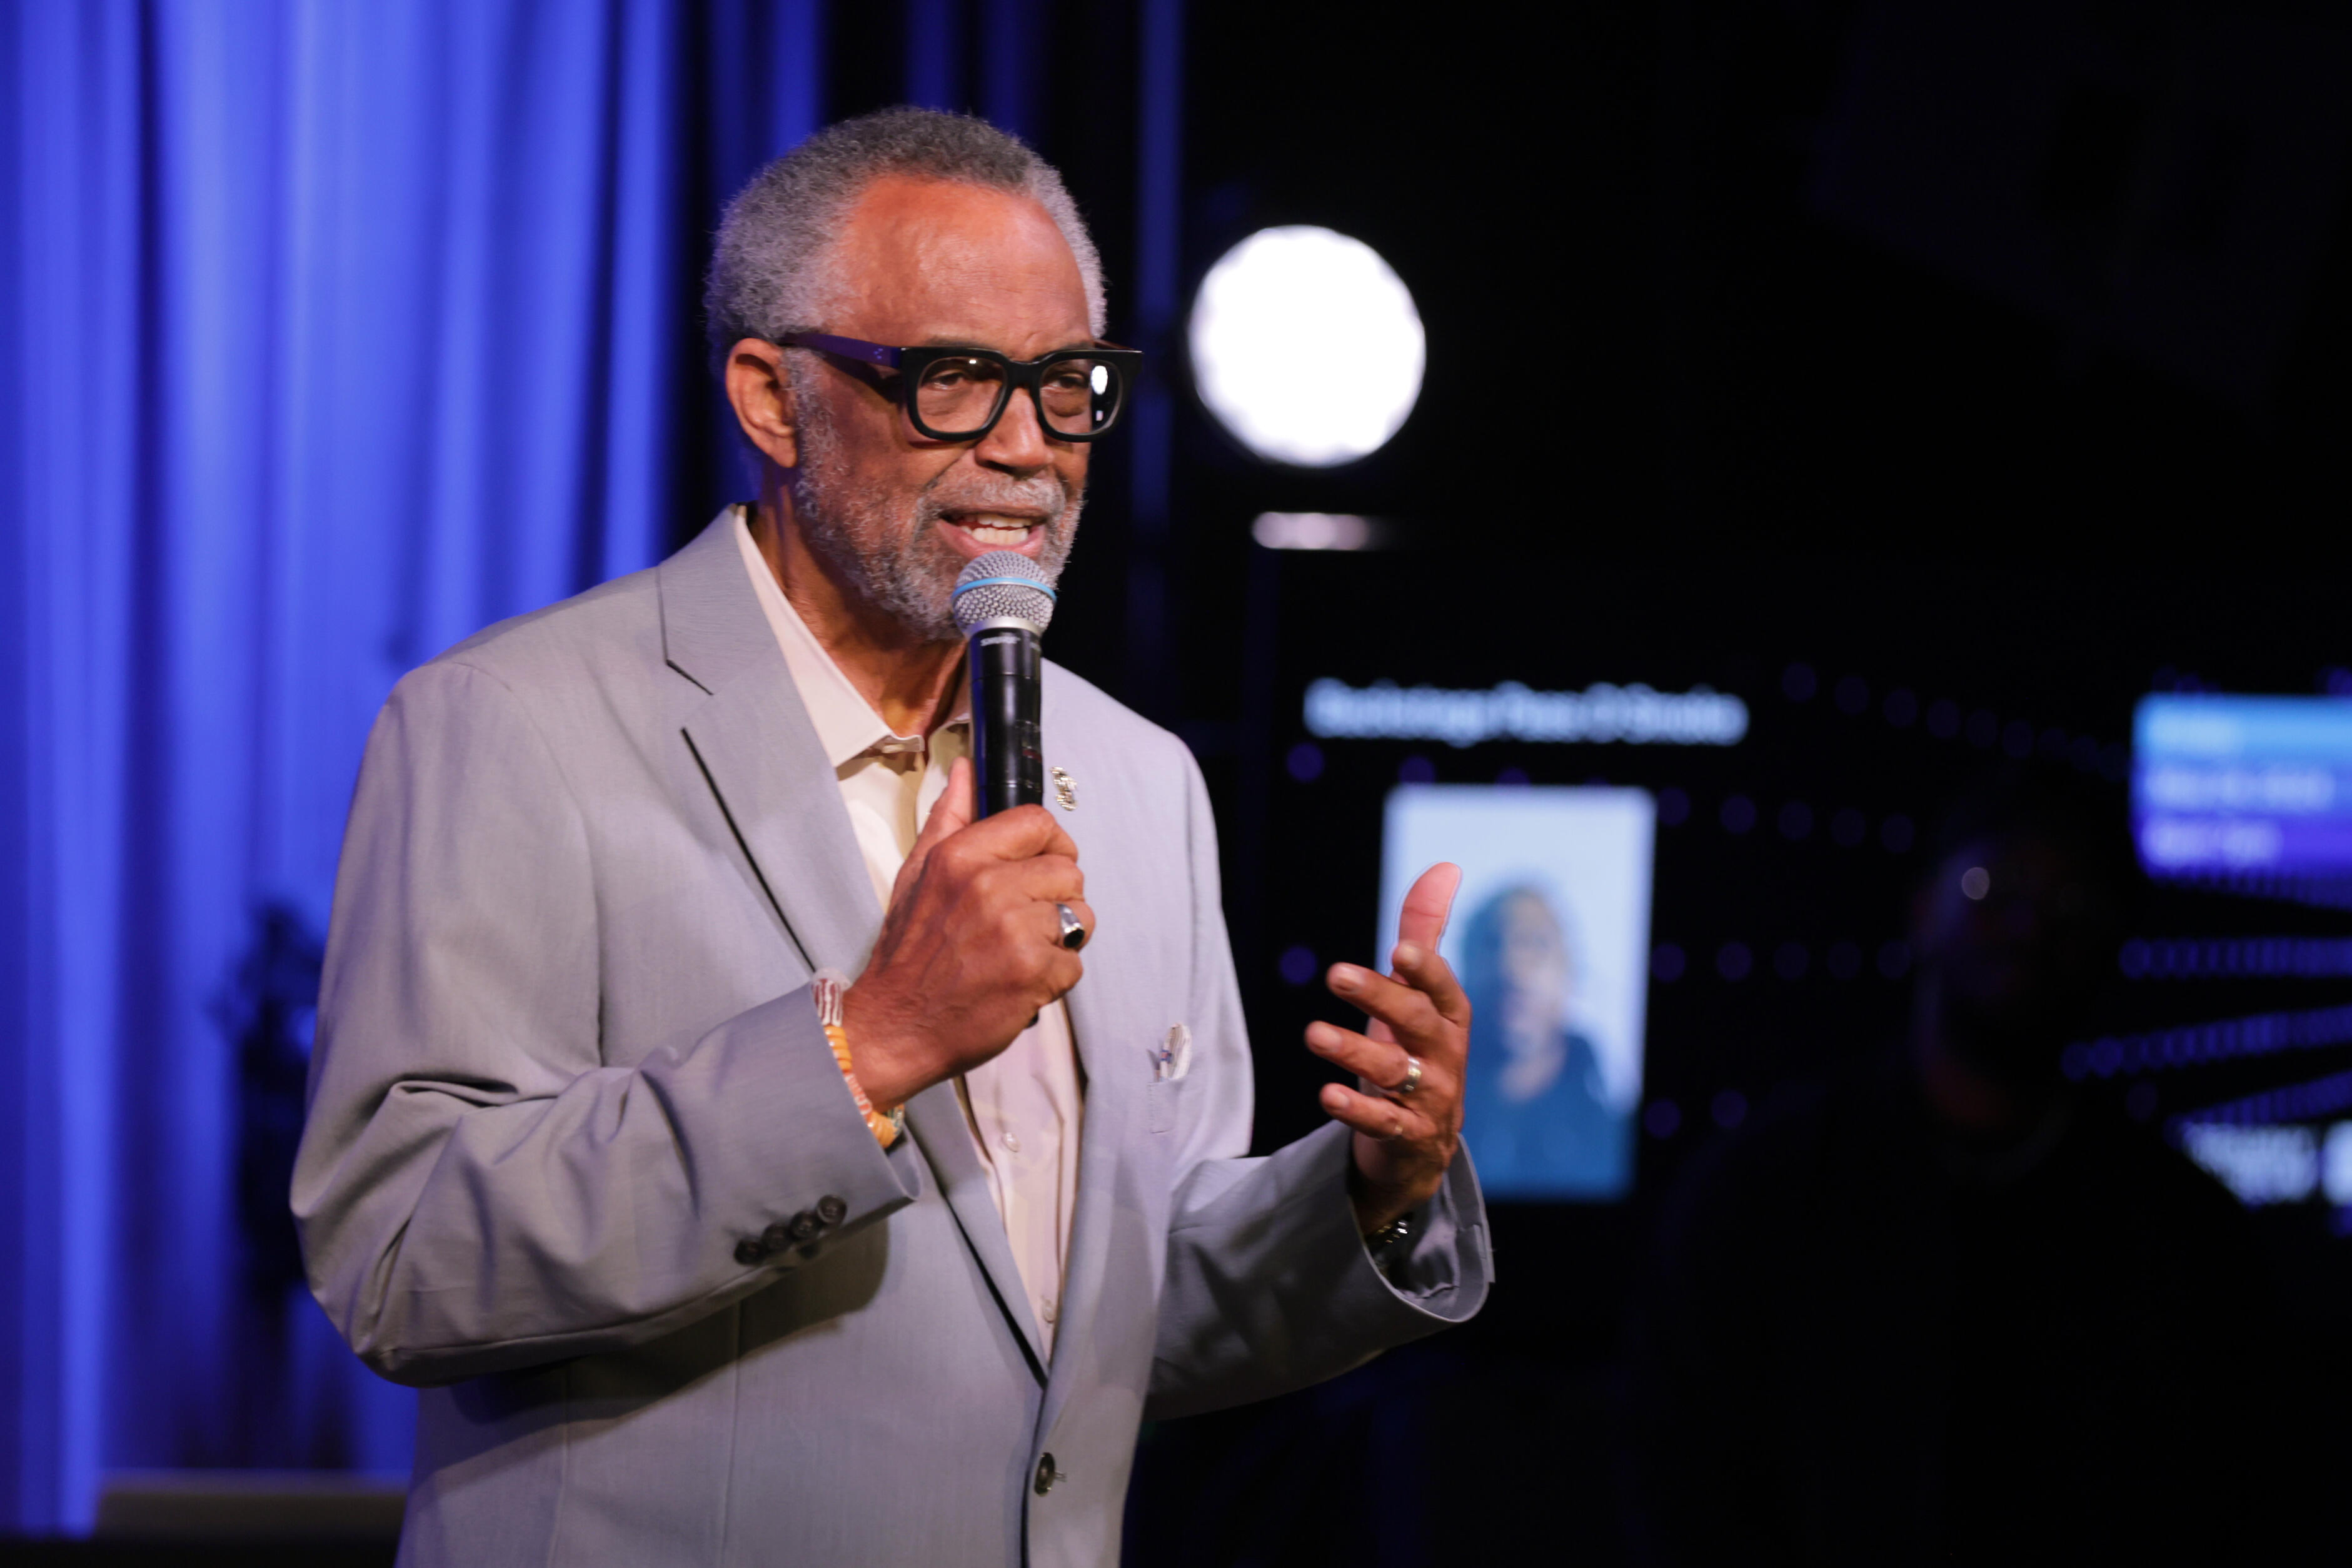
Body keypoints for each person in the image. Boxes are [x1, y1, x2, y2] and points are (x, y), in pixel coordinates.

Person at [291, 108, 1487, 1567]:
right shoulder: (514, 723)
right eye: (954, 380)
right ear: (772, 398)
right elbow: (405, 1256)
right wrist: (868, 1045)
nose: (1027, 449)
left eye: (1067, 385)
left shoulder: (1141, 777)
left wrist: (1370, 1192)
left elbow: (1105, 1320)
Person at [1629, 766, 2289, 1564]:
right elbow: (1679, 1486)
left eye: (2070, 905)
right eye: (1991, 889)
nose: (2027, 927)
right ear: (1923, 912)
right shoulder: (1760, 1197)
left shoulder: (2185, 1237)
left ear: (2113, 942)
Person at [1457, 885, 1628, 1197]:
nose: (1513, 964)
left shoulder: (1616, 1138)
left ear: (1571, 973)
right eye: (1492, 943)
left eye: (1538, 944)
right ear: (1463, 970)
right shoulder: (1424, 1126)